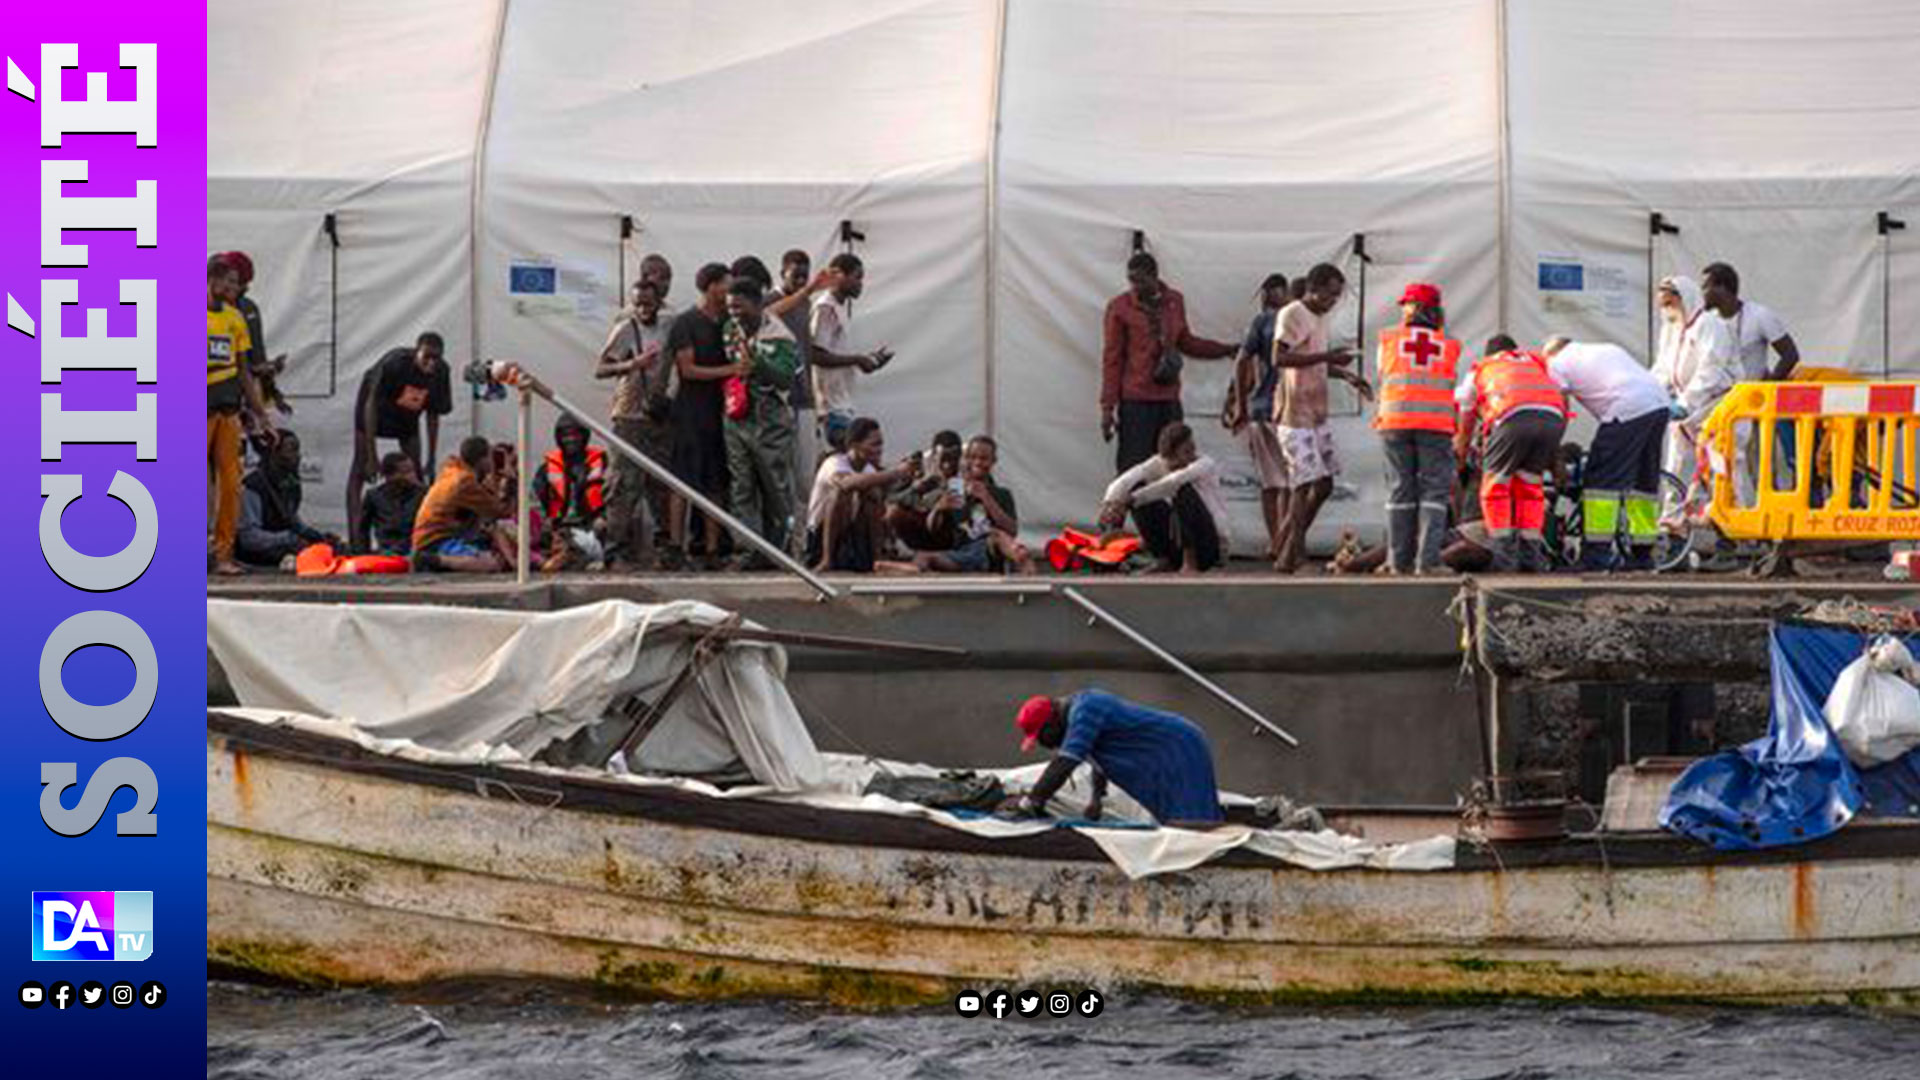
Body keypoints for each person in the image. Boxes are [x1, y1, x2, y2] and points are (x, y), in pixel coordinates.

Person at [1541, 337, 1672, 570]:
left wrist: (1555, 455)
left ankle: (1596, 555)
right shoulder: (1604, 348)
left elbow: (1559, 410)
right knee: (1643, 482)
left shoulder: (1555, 364)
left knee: (1601, 482)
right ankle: (1642, 554)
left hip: (1626, 408)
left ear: (1551, 353)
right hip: (1659, 404)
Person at [1099, 252, 1237, 475]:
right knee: (1133, 466)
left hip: (1168, 398)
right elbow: (1112, 358)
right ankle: (1129, 507)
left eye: (1140, 280)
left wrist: (1224, 349)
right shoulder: (1120, 307)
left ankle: (1170, 510)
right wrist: (1108, 407)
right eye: (1131, 280)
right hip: (1136, 400)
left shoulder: (1174, 301)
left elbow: (1186, 341)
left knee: (1176, 464)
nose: (1135, 286)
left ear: (1154, 276)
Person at [1002, 691, 1223, 825]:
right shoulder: (1078, 714)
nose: (1045, 744)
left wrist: (1030, 803)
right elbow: (1098, 762)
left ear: (1052, 722)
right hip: (1161, 755)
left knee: (1193, 824)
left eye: (1042, 737)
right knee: (1171, 819)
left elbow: (1066, 761)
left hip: (1178, 747)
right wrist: (1096, 800)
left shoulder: (1086, 709)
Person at [1271, 263, 1366, 573]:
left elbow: (1313, 361)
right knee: (1303, 484)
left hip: (1315, 412)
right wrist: (1328, 357)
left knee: (1322, 484)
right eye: (1330, 295)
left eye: (1337, 296)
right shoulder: (1293, 314)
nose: (1333, 301)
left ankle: (1288, 546)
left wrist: (1345, 374)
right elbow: (1280, 358)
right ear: (1313, 288)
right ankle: (1292, 554)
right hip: (1294, 414)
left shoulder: (1320, 317)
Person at [1455, 337, 1569, 571]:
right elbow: (1563, 393)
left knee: (1496, 486)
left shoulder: (1482, 368)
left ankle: (1503, 555)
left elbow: (1466, 423)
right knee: (1530, 486)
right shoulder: (1536, 363)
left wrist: (1461, 456)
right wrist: (1555, 454)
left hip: (1512, 419)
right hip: (1552, 420)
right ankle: (1531, 556)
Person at [1374, 283, 1462, 574]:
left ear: (1412, 309)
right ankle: (1427, 562)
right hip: (1435, 426)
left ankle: (1397, 562)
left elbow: (1382, 375)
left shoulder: (1387, 339)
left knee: (1400, 489)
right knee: (1433, 493)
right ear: (1436, 310)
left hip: (1395, 423)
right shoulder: (1449, 344)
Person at [722, 276, 807, 565]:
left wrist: (758, 365)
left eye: (739, 307)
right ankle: (748, 550)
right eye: (730, 307)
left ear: (758, 305)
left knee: (776, 486)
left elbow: (787, 378)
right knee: (742, 485)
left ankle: (782, 551)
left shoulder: (779, 336)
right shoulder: (730, 329)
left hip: (770, 415)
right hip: (737, 414)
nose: (734, 313)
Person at [1702, 261, 1802, 497]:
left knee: (1760, 467)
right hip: (1720, 407)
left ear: (1723, 288)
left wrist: (1766, 390)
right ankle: (1730, 520)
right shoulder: (1709, 322)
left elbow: (1790, 355)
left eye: (1705, 287)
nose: (1701, 293)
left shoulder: (1759, 315)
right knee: (1722, 466)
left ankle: (1766, 525)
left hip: (1753, 406)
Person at [348, 331, 452, 548]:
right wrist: (372, 455)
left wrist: (432, 457)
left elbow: (433, 414)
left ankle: (421, 536)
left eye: (436, 358)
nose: (431, 363)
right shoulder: (395, 363)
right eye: (427, 357)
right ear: (416, 352)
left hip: (406, 413)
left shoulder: (441, 372)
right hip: (374, 408)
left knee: (417, 474)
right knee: (360, 470)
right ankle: (356, 539)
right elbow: (370, 405)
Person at [666, 263, 741, 568]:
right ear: (711, 286)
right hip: (689, 412)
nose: (730, 291)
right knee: (682, 481)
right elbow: (688, 370)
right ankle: (674, 547)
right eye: (726, 284)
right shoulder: (685, 323)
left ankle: (712, 549)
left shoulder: (729, 323)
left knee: (715, 481)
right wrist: (730, 370)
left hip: (720, 412)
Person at [208, 254, 278, 576]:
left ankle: (224, 554)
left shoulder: (235, 318)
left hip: (228, 410)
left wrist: (261, 414)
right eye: (232, 282)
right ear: (215, 280)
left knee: (231, 484)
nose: (237, 288)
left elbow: (243, 371)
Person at [595, 277, 673, 569]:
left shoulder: (668, 327)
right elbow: (600, 369)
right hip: (628, 416)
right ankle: (615, 551)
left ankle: (663, 550)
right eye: (637, 304)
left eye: (648, 304)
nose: (643, 310)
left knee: (660, 486)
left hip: (657, 416)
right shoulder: (625, 330)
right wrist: (631, 364)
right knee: (622, 485)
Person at [1650, 275, 1739, 526]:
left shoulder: (1711, 326)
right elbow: (1662, 368)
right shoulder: (1672, 329)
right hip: (1688, 411)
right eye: (1662, 305)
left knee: (1724, 471)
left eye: (1669, 304)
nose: (1666, 310)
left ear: (1684, 299)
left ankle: (1740, 535)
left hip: (1718, 407)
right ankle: (1675, 526)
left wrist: (1685, 404)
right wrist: (1648, 394)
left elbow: (1710, 371)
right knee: (1676, 467)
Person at [1101, 422, 1230, 574]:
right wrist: (1110, 504)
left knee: (1181, 490)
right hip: (1176, 548)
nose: (1176, 463)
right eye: (1171, 459)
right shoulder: (1159, 462)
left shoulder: (1204, 465)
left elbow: (1173, 482)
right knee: (1136, 489)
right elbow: (1126, 479)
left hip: (1208, 547)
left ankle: (1190, 562)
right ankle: (1163, 558)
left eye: (1187, 452)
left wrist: (1131, 500)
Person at [1224, 272, 1292, 560]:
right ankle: (1284, 543)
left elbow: (1242, 364)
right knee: (1290, 482)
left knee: (1271, 482)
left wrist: (1240, 404)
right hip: (1287, 411)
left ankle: (1275, 541)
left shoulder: (1261, 322)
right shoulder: (1292, 320)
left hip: (1261, 409)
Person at [804, 417, 922, 573]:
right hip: (819, 539)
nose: (879, 449)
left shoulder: (868, 469)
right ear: (854, 445)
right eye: (874, 444)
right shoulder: (834, 463)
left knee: (872, 493)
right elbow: (847, 483)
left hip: (851, 537)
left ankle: (877, 558)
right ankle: (826, 560)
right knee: (842, 492)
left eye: (881, 444)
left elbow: (880, 494)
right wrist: (897, 472)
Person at [809, 253, 893, 451]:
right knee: (853, 456)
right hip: (830, 406)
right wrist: (857, 359)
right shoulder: (825, 308)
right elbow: (816, 355)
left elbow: (835, 353)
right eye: (857, 277)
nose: (861, 284)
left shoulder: (838, 307)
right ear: (839, 276)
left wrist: (867, 361)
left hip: (841, 402)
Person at [915, 435, 1035, 574]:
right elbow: (932, 528)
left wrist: (987, 498)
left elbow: (1012, 530)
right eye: (972, 457)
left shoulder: (1002, 493)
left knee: (997, 536)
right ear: (965, 459)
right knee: (922, 557)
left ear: (993, 461)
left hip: (990, 552)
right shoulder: (954, 490)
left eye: (984, 458)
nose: (977, 462)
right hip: (961, 554)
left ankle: (1028, 577)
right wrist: (939, 509)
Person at [412, 435, 519, 572]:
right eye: (490, 457)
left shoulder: (451, 470)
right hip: (436, 540)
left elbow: (487, 503)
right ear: (482, 460)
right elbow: (501, 511)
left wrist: (495, 479)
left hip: (433, 536)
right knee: (491, 564)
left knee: (494, 545)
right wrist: (512, 481)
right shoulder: (464, 481)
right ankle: (433, 560)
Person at [235, 431, 336, 568]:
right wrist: (287, 538)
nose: (297, 456)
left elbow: (293, 521)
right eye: (291, 451)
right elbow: (249, 538)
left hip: (282, 543)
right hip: (258, 551)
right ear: (274, 454)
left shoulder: (290, 483)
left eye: (297, 451)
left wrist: (319, 537)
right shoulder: (253, 486)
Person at [533, 413, 610, 570]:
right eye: (565, 436)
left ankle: (574, 557)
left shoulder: (600, 463)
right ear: (558, 438)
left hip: (592, 525)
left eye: (575, 435)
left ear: (584, 436)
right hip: (560, 527)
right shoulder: (546, 468)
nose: (570, 439)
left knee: (607, 530)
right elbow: (535, 498)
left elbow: (614, 495)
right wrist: (545, 520)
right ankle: (567, 556)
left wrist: (604, 516)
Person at [219, 251, 290, 420]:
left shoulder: (248, 309)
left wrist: (269, 378)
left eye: (242, 284)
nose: (241, 288)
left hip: (240, 398)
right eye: (233, 281)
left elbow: (256, 358)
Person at [885, 430, 964, 552]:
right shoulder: (919, 471)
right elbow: (890, 500)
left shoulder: (965, 475)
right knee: (894, 512)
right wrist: (915, 489)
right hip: (920, 530)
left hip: (948, 534)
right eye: (943, 459)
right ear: (934, 456)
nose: (947, 465)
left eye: (953, 460)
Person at [355, 451, 425, 556]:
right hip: (387, 550)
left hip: (414, 549)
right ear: (390, 476)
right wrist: (363, 554)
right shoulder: (374, 496)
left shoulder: (422, 494)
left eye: (412, 471)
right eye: (406, 472)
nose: (412, 476)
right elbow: (363, 530)